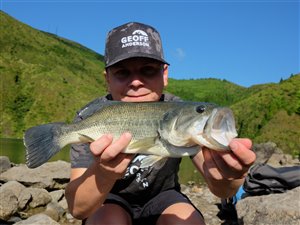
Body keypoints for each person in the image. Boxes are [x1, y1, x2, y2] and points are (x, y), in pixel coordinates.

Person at [65, 22, 256, 225]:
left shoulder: (181, 112)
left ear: (164, 74)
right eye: (122, 72)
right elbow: (77, 208)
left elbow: (221, 189)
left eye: (148, 70)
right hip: (109, 198)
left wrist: (229, 178)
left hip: (163, 197)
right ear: (107, 79)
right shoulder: (89, 117)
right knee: (108, 221)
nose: (136, 82)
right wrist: (103, 172)